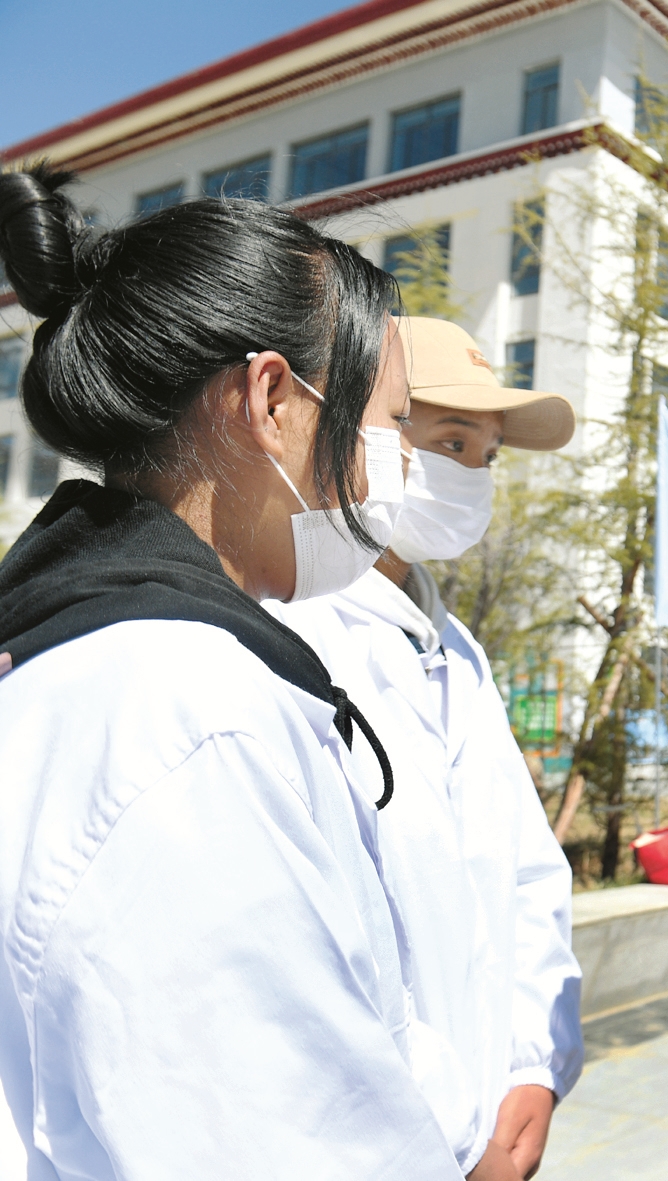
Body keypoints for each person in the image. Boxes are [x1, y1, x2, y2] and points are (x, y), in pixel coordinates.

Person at [0, 166, 466, 1174]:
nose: (399, 463)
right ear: (271, 400)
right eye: (390, 423)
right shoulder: (189, 719)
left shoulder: (84, 654)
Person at [265, 317, 584, 1180]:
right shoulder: (290, 632)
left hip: (488, 1120)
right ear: (363, 431)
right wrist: (456, 1135)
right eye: (450, 440)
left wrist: (533, 1063)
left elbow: (526, 872)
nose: (472, 475)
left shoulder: (456, 649)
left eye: (487, 454)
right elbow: (316, 941)